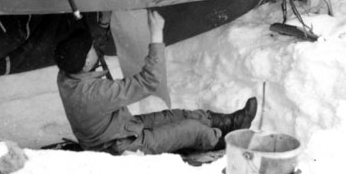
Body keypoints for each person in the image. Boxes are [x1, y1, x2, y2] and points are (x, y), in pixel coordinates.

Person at [53, 10, 257, 155]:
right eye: (89, 50)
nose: (93, 49)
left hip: (120, 127)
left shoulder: (66, 75)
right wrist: (156, 35)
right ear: (87, 62)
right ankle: (222, 141)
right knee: (190, 130)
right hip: (117, 146)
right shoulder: (96, 93)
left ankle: (233, 122)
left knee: (177, 116)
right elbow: (149, 81)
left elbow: (91, 52)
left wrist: (104, 22)